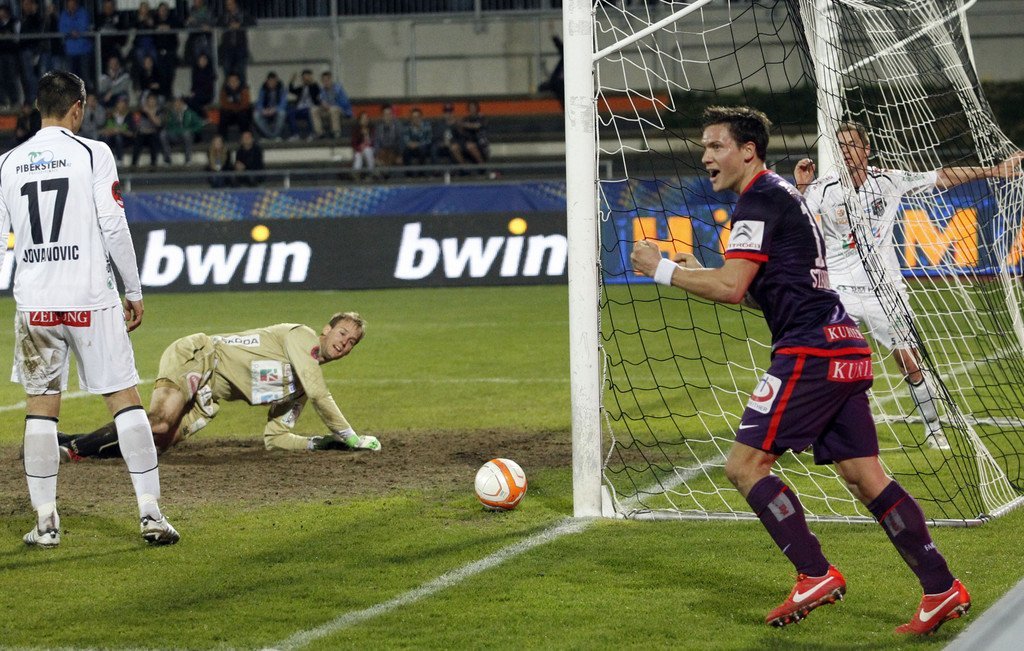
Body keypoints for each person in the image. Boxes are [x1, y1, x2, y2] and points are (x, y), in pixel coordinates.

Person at [630, 106, 970, 635]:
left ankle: (814, 573)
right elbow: (763, 292)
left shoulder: (758, 200)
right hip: (843, 345)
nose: (706, 157)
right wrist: (701, 273)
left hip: (810, 352)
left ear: (748, 151)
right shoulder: (784, 195)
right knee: (866, 478)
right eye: (704, 147)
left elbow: (732, 289)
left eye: (716, 146)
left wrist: (663, 270)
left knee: (744, 467)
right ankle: (941, 587)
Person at [0, 70, 178, 547]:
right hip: (90, 299)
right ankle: (151, 515)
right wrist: (133, 289)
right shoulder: (93, 153)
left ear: (38, 108)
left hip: (36, 304)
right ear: (77, 108)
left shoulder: (7, 163)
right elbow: (114, 225)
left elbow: (0, 241)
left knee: (41, 409)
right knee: (124, 400)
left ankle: (46, 522)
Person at [794, 123, 1024, 451]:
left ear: (866, 148)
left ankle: (934, 429)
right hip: (840, 292)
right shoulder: (823, 188)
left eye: (852, 144)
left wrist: (994, 171)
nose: (846, 151)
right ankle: (815, 430)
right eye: (841, 145)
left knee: (909, 362)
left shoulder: (889, 180)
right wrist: (801, 188)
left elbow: (940, 176)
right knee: (827, 362)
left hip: (886, 292)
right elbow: (796, 220)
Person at [60, 314, 381, 459]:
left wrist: (321, 444)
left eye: (352, 341)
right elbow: (319, 393)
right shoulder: (303, 336)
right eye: (342, 333)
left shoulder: (297, 388)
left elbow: (276, 439)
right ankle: (75, 448)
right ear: (326, 330)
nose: (344, 342)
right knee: (160, 422)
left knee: (155, 445)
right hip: (200, 356)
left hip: (208, 395)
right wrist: (350, 437)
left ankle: (66, 443)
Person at [58, 0, 94, 91]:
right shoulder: (63, 14)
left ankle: (87, 95)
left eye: (73, 3)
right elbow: (62, 29)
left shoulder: (83, 13)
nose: (72, 6)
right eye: (70, 4)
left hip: (84, 50)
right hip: (70, 51)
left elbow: (84, 26)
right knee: (71, 78)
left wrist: (73, 31)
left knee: (85, 76)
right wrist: (71, 32)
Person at [218, 0, 254, 84]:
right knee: (227, 71)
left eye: (231, 4)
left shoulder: (243, 14)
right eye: (227, 4)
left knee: (241, 72)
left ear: (235, 4)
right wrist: (228, 26)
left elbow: (253, 22)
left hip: (240, 48)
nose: (229, 6)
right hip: (227, 49)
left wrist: (240, 25)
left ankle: (242, 90)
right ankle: (228, 90)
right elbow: (218, 24)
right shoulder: (224, 16)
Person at [132, 92, 170, 167]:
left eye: (153, 100)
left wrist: (149, 113)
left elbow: (158, 123)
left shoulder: (159, 111)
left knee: (154, 140)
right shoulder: (140, 111)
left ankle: (153, 163)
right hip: (142, 133)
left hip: (153, 133)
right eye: (150, 100)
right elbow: (136, 123)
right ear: (146, 101)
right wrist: (141, 128)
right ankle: (134, 163)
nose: (151, 101)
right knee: (138, 140)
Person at [312, 70, 353, 140]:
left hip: (341, 110)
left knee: (333, 109)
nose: (325, 82)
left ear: (331, 79)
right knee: (314, 110)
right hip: (327, 110)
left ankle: (336, 132)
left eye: (327, 80)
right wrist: (322, 104)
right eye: (323, 81)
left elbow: (345, 103)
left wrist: (331, 105)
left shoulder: (338, 89)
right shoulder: (322, 91)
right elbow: (321, 101)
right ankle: (319, 133)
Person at [163, 95, 204, 164]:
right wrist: (173, 116)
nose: (177, 106)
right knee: (163, 134)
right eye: (175, 104)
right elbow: (168, 127)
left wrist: (191, 130)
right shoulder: (170, 114)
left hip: (187, 137)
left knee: (186, 133)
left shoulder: (190, 113)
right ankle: (167, 159)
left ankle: (188, 159)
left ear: (182, 104)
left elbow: (199, 125)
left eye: (178, 104)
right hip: (174, 136)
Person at [252, 71, 287, 141]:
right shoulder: (263, 89)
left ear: (277, 81)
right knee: (256, 115)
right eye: (270, 81)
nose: (272, 83)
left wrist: (274, 109)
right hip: (266, 111)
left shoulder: (281, 88)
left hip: (276, 111)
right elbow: (259, 103)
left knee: (282, 113)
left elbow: (283, 104)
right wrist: (263, 110)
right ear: (267, 81)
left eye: (274, 81)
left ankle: (274, 136)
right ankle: (271, 136)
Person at [217, 72, 252, 139]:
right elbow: (224, 104)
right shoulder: (224, 90)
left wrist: (233, 106)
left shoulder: (244, 89)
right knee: (223, 114)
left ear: (238, 81)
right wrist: (236, 106)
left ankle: (246, 138)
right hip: (230, 114)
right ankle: (222, 139)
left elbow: (245, 104)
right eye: (231, 81)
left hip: (241, 113)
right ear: (228, 82)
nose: (233, 83)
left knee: (244, 114)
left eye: (235, 81)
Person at [101, 94, 134, 163]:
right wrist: (112, 131)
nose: (121, 105)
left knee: (118, 137)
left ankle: (119, 159)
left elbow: (132, 133)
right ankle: (105, 160)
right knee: (106, 137)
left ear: (126, 105)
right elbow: (106, 129)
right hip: (112, 138)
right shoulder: (111, 115)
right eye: (119, 103)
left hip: (125, 140)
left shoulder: (129, 116)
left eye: (123, 103)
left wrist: (120, 131)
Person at [287, 69, 319, 141]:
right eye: (304, 78)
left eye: (307, 77)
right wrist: (292, 80)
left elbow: (317, 92)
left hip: (309, 108)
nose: (306, 80)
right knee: (290, 111)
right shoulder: (301, 88)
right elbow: (291, 90)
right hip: (300, 109)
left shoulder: (314, 87)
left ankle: (312, 134)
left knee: (310, 112)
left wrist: (311, 82)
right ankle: (295, 134)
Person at [0, 3, 22, 107]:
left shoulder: (14, 22)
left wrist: (9, 35)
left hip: (11, 55)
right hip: (1, 55)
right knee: (1, 78)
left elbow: (17, 38)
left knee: (12, 78)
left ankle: (15, 101)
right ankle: (3, 101)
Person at [373, 103, 402, 169]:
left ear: (392, 115)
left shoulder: (397, 125)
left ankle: (385, 171)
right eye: (386, 115)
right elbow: (377, 142)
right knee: (381, 156)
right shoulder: (378, 126)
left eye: (390, 114)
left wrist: (400, 155)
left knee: (391, 156)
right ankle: (384, 171)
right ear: (382, 116)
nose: (388, 117)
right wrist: (376, 156)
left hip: (394, 150)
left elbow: (400, 141)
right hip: (382, 151)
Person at [350, 110, 375, 176]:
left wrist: (367, 139)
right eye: (363, 118)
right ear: (360, 120)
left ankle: (371, 171)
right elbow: (354, 143)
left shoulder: (372, 129)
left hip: (370, 148)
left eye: (366, 118)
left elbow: (374, 142)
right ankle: (356, 173)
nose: (365, 120)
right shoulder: (356, 130)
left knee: (367, 150)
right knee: (358, 155)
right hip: (359, 149)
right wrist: (360, 147)